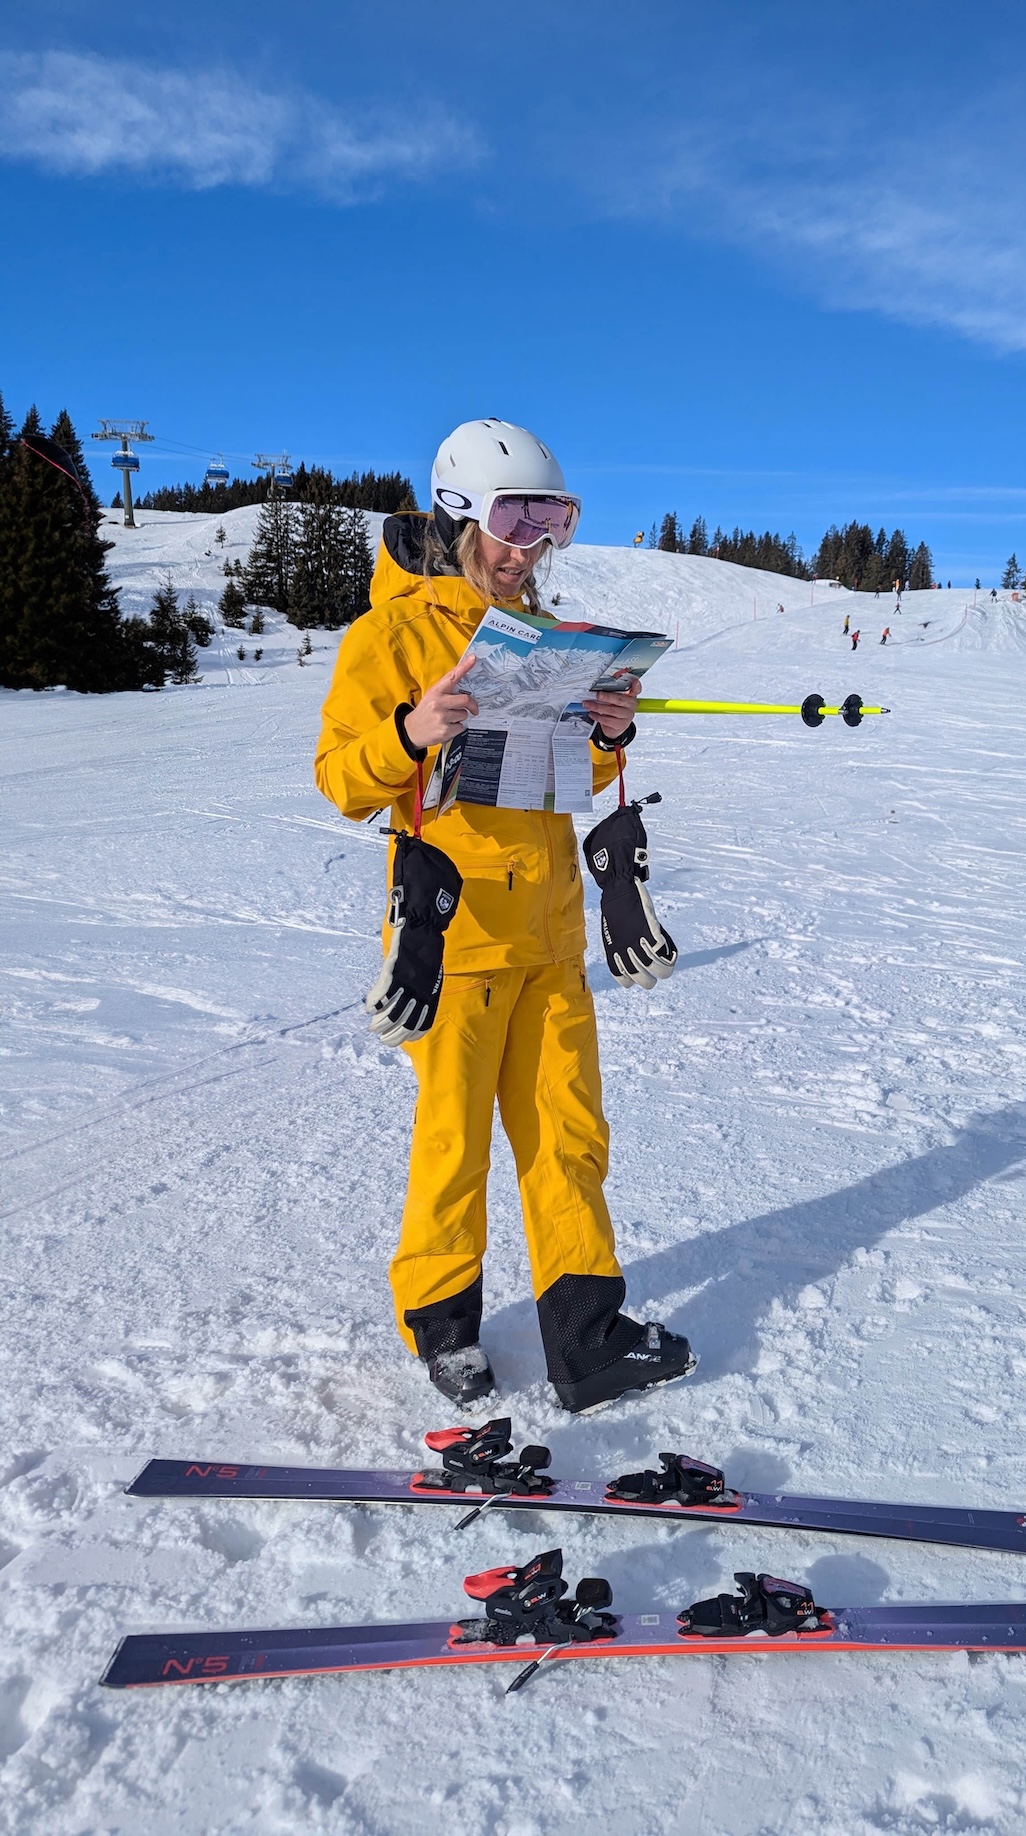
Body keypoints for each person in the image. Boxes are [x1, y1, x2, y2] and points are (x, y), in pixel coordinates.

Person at [314, 419, 695, 1415]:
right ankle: (445, 1329)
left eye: (550, 522)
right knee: (455, 1144)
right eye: (514, 520)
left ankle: (587, 1339)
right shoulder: (390, 638)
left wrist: (608, 735)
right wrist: (409, 729)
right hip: (455, 936)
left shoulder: (547, 642)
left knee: (568, 1138)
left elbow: (570, 775)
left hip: (550, 935)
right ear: (458, 516)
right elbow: (341, 781)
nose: (530, 548)